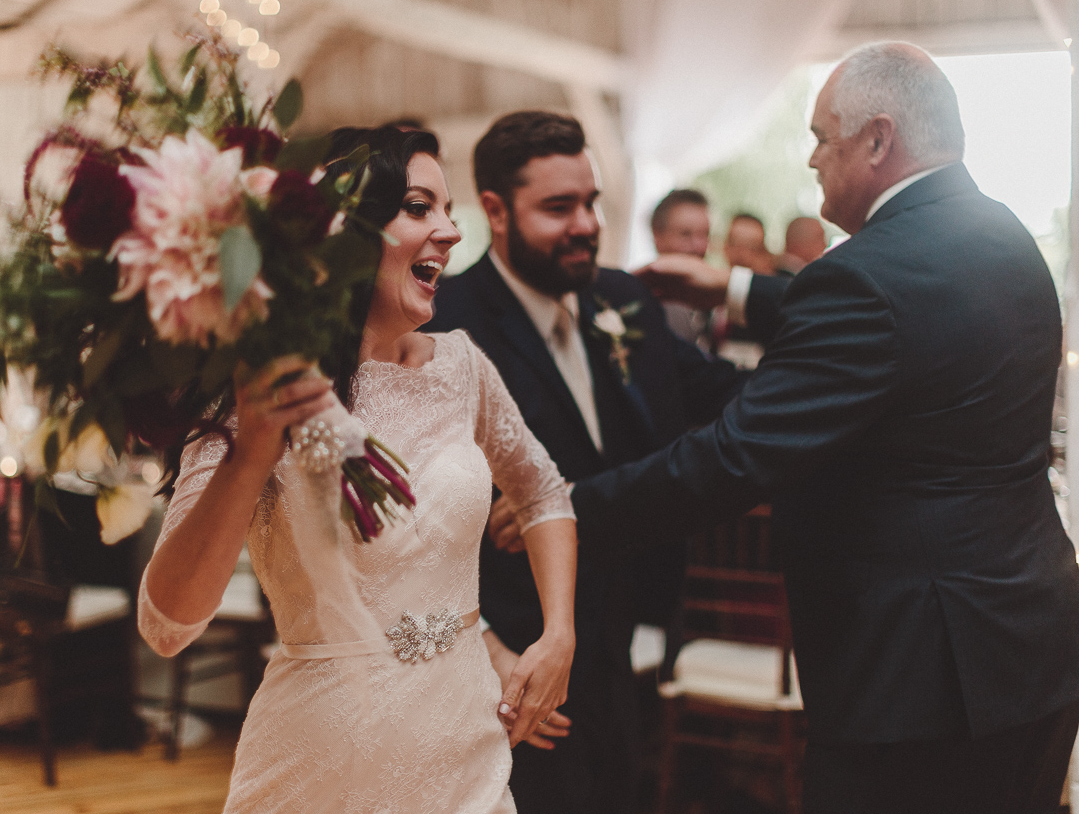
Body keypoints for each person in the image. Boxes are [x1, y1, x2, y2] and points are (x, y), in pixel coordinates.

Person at [572, 42, 1079, 813]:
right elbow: (914, 322)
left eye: (821, 137)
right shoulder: (1000, 236)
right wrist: (739, 289)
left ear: (877, 140)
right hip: (1030, 655)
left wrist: (567, 512)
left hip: (919, 689)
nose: (810, 160)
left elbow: (735, 458)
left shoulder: (866, 276)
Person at [137, 126, 577, 813]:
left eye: (448, 210)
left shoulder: (463, 367)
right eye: (418, 207)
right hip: (321, 767)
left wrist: (556, 635)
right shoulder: (260, 389)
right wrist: (253, 449)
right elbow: (167, 626)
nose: (450, 232)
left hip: (467, 752)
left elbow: (543, 491)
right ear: (342, 235)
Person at [426, 112, 750, 814]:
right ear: (494, 211)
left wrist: (771, 306)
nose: (585, 224)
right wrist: (487, 649)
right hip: (512, 660)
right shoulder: (448, 325)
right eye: (558, 207)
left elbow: (732, 398)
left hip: (625, 635)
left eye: (591, 203)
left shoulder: (623, 301)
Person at [649, 188, 714, 347]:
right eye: (686, 234)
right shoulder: (644, 297)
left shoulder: (711, 300)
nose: (699, 246)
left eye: (704, 234)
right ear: (658, 236)